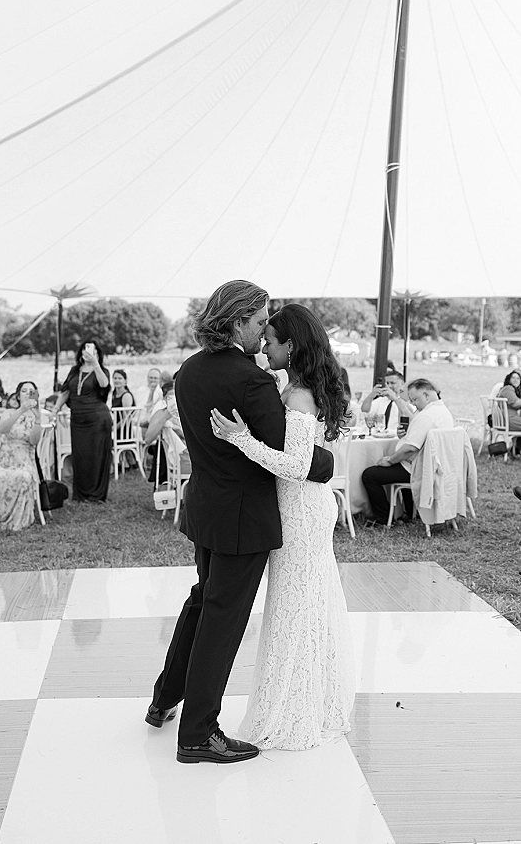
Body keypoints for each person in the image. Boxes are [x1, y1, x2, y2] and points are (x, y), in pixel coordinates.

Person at [145, 281, 333, 765]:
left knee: (202, 602)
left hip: (206, 508)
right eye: (259, 322)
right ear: (236, 322)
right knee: (222, 622)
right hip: (243, 519)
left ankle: (164, 698)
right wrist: (328, 462)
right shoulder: (251, 381)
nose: (263, 331)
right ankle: (198, 734)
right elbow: (292, 455)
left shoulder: (189, 370)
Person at [210, 303, 355, 750]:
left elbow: (296, 465)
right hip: (302, 509)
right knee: (302, 607)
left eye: (270, 341)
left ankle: (295, 713)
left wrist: (241, 439)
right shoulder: (293, 386)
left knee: (295, 609)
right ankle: (306, 701)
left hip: (301, 513)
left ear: (291, 346)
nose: (264, 347)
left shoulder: (299, 396)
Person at [361, 378, 454, 525]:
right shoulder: (443, 412)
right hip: (437, 466)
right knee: (397, 465)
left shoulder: (426, 416)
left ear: (426, 395)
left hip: (419, 468)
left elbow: (410, 448)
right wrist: (404, 437)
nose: (414, 404)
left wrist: (390, 460)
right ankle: (409, 513)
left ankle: (382, 518)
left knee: (369, 475)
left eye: (415, 399)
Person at [53, 339, 112, 503]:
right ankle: (81, 494)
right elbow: (66, 392)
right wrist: (55, 409)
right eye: (85, 349)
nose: (88, 353)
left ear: (97, 353)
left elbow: (104, 384)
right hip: (78, 419)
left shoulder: (102, 370)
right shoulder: (74, 371)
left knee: (96, 456)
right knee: (80, 456)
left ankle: (96, 494)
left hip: (97, 419)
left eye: (92, 350)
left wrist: (95, 364)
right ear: (81, 353)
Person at [0, 381, 42, 532]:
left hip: (24, 456)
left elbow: (34, 441)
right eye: (24, 391)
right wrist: (21, 410)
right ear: (18, 395)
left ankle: (16, 521)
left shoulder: (37, 415)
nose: (27, 394)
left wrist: (38, 419)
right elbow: (1, 430)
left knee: (23, 477)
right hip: (3, 455)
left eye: (31, 391)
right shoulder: (9, 412)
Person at [497, 371, 521, 455]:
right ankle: (517, 450)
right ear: (509, 379)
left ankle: (516, 450)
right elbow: (516, 403)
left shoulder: (508, 389)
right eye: (513, 378)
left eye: (518, 378)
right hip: (509, 421)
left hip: (508, 420)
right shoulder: (508, 389)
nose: (516, 380)